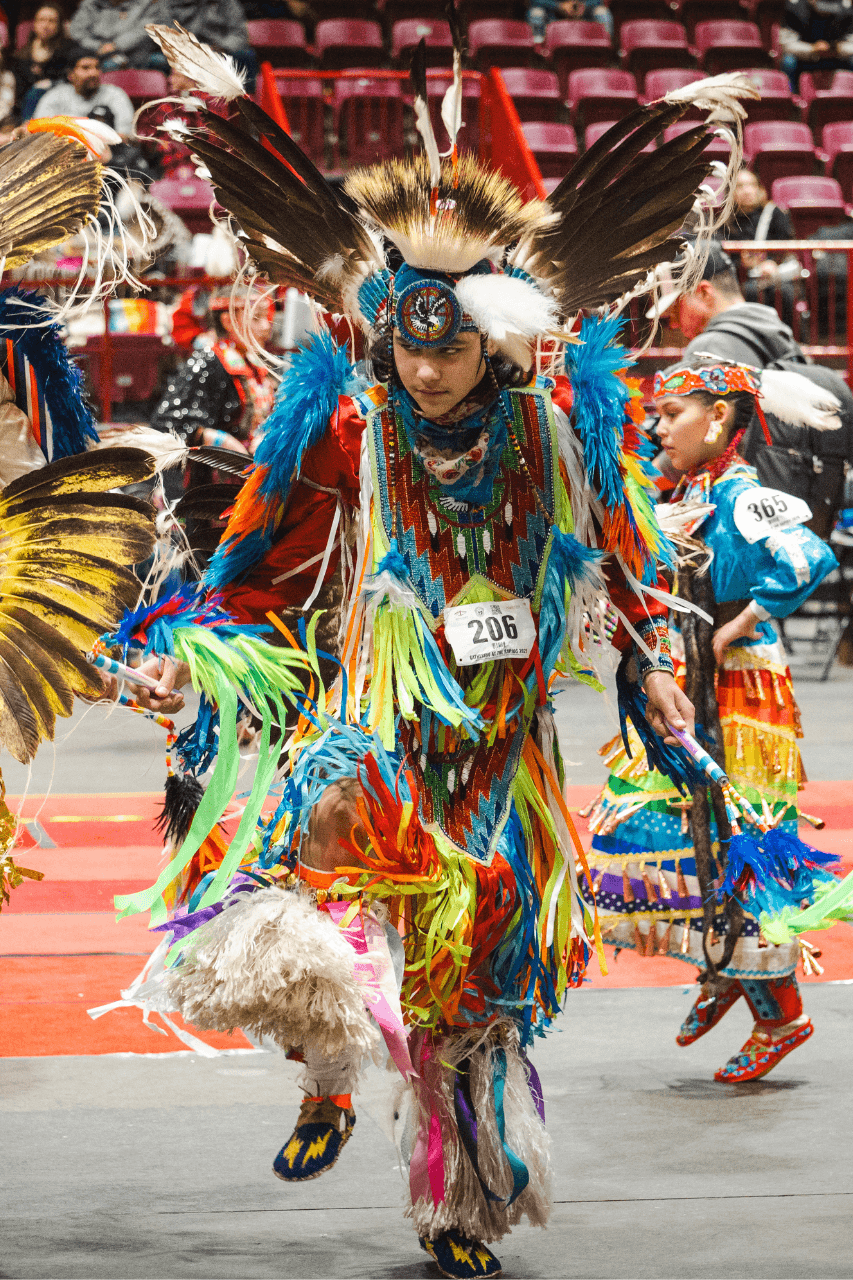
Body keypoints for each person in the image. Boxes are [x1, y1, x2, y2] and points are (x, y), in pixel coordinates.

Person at [103, 26, 759, 1280]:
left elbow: (621, 564)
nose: (426, 367)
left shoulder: (551, 435)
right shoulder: (352, 425)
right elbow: (262, 561)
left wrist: (653, 669)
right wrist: (209, 657)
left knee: (479, 977)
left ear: (495, 340)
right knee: (299, 886)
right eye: (408, 344)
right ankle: (332, 1066)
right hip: (381, 726)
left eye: (449, 347)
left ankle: (456, 1202)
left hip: (501, 747)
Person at [582, 355, 841, 1081]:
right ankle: (725, 966)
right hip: (684, 682)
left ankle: (778, 1009)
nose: (655, 426)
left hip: (733, 693)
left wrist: (741, 624)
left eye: (671, 414)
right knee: (656, 826)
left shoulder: (739, 493)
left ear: (719, 416)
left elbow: (805, 557)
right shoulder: (686, 487)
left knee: (736, 836)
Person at [653, 240, 853, 539]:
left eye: (674, 308)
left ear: (705, 293)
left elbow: (692, 444)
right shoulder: (777, 333)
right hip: (800, 516)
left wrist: (641, 482)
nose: (670, 322)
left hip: (744, 528)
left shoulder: (709, 347)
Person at [725, 167, 800, 325]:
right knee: (750, 292)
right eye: (740, 186)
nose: (747, 191)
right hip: (740, 279)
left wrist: (771, 262)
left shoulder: (775, 213)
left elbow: (786, 248)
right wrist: (742, 265)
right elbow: (722, 258)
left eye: (752, 185)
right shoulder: (724, 221)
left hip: (773, 275)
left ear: (760, 189)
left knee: (784, 292)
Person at [33, 46, 134, 138]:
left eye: (97, 67)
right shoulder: (55, 96)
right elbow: (39, 133)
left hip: (107, 153)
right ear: (70, 74)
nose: (93, 73)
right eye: (86, 68)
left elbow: (126, 136)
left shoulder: (114, 94)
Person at [14, 4, 74, 121]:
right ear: (34, 24)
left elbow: (71, 80)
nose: (45, 25)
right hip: (27, 108)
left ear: (59, 25)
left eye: (51, 21)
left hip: (60, 105)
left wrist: (51, 83)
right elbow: (19, 92)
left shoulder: (69, 50)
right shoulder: (21, 55)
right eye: (41, 20)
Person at [779, 0, 853, 90]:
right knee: (788, 62)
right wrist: (813, 48)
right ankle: (791, 96)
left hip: (837, 56)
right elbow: (787, 46)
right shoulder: (794, 7)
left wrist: (836, 48)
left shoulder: (846, 8)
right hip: (804, 58)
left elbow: (851, 44)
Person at [68, 0, 161, 71]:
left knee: (158, 61)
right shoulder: (90, 4)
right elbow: (77, 32)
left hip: (132, 52)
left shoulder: (146, 4)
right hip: (93, 52)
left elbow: (143, 30)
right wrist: (98, 46)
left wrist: (116, 45)